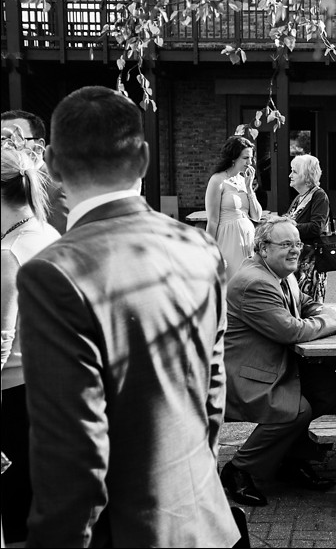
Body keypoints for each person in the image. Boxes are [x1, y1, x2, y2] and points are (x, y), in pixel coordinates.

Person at [15, 86, 239, 547]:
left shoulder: (54, 273)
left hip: (124, 531)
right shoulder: (196, 246)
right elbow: (213, 391)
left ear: (52, 166)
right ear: (143, 159)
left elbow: (72, 451)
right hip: (203, 518)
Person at [220, 216, 336, 507]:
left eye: (298, 244)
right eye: (286, 244)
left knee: (331, 389)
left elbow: (302, 302)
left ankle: (292, 460)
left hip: (278, 363)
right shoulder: (254, 283)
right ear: (263, 248)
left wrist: (323, 310)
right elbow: (289, 330)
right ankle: (238, 469)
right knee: (296, 410)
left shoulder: (281, 273)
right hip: (248, 373)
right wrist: (330, 322)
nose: (295, 251)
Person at [0, 146, 59, 545]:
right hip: (48, 387)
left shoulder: (10, 251)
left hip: (15, 395)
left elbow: (1, 339)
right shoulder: (46, 233)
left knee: (16, 511)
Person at [205, 135, 262, 281]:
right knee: (232, 284)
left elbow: (256, 216)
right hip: (228, 240)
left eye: (251, 158)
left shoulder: (244, 181)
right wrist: (210, 251)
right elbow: (212, 221)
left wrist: (249, 189)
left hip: (248, 240)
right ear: (233, 158)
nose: (250, 163)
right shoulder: (217, 180)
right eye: (245, 158)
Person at [1, 110, 67, 235]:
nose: (5, 147)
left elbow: (63, 243)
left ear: (39, 145)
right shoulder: (6, 182)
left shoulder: (56, 188)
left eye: (13, 139)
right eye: (1, 141)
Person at [285, 154, 330, 302]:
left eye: (295, 171)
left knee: (308, 304)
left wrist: (290, 226)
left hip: (311, 265)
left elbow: (316, 227)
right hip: (298, 260)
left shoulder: (319, 196)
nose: (290, 175)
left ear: (306, 175)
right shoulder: (299, 197)